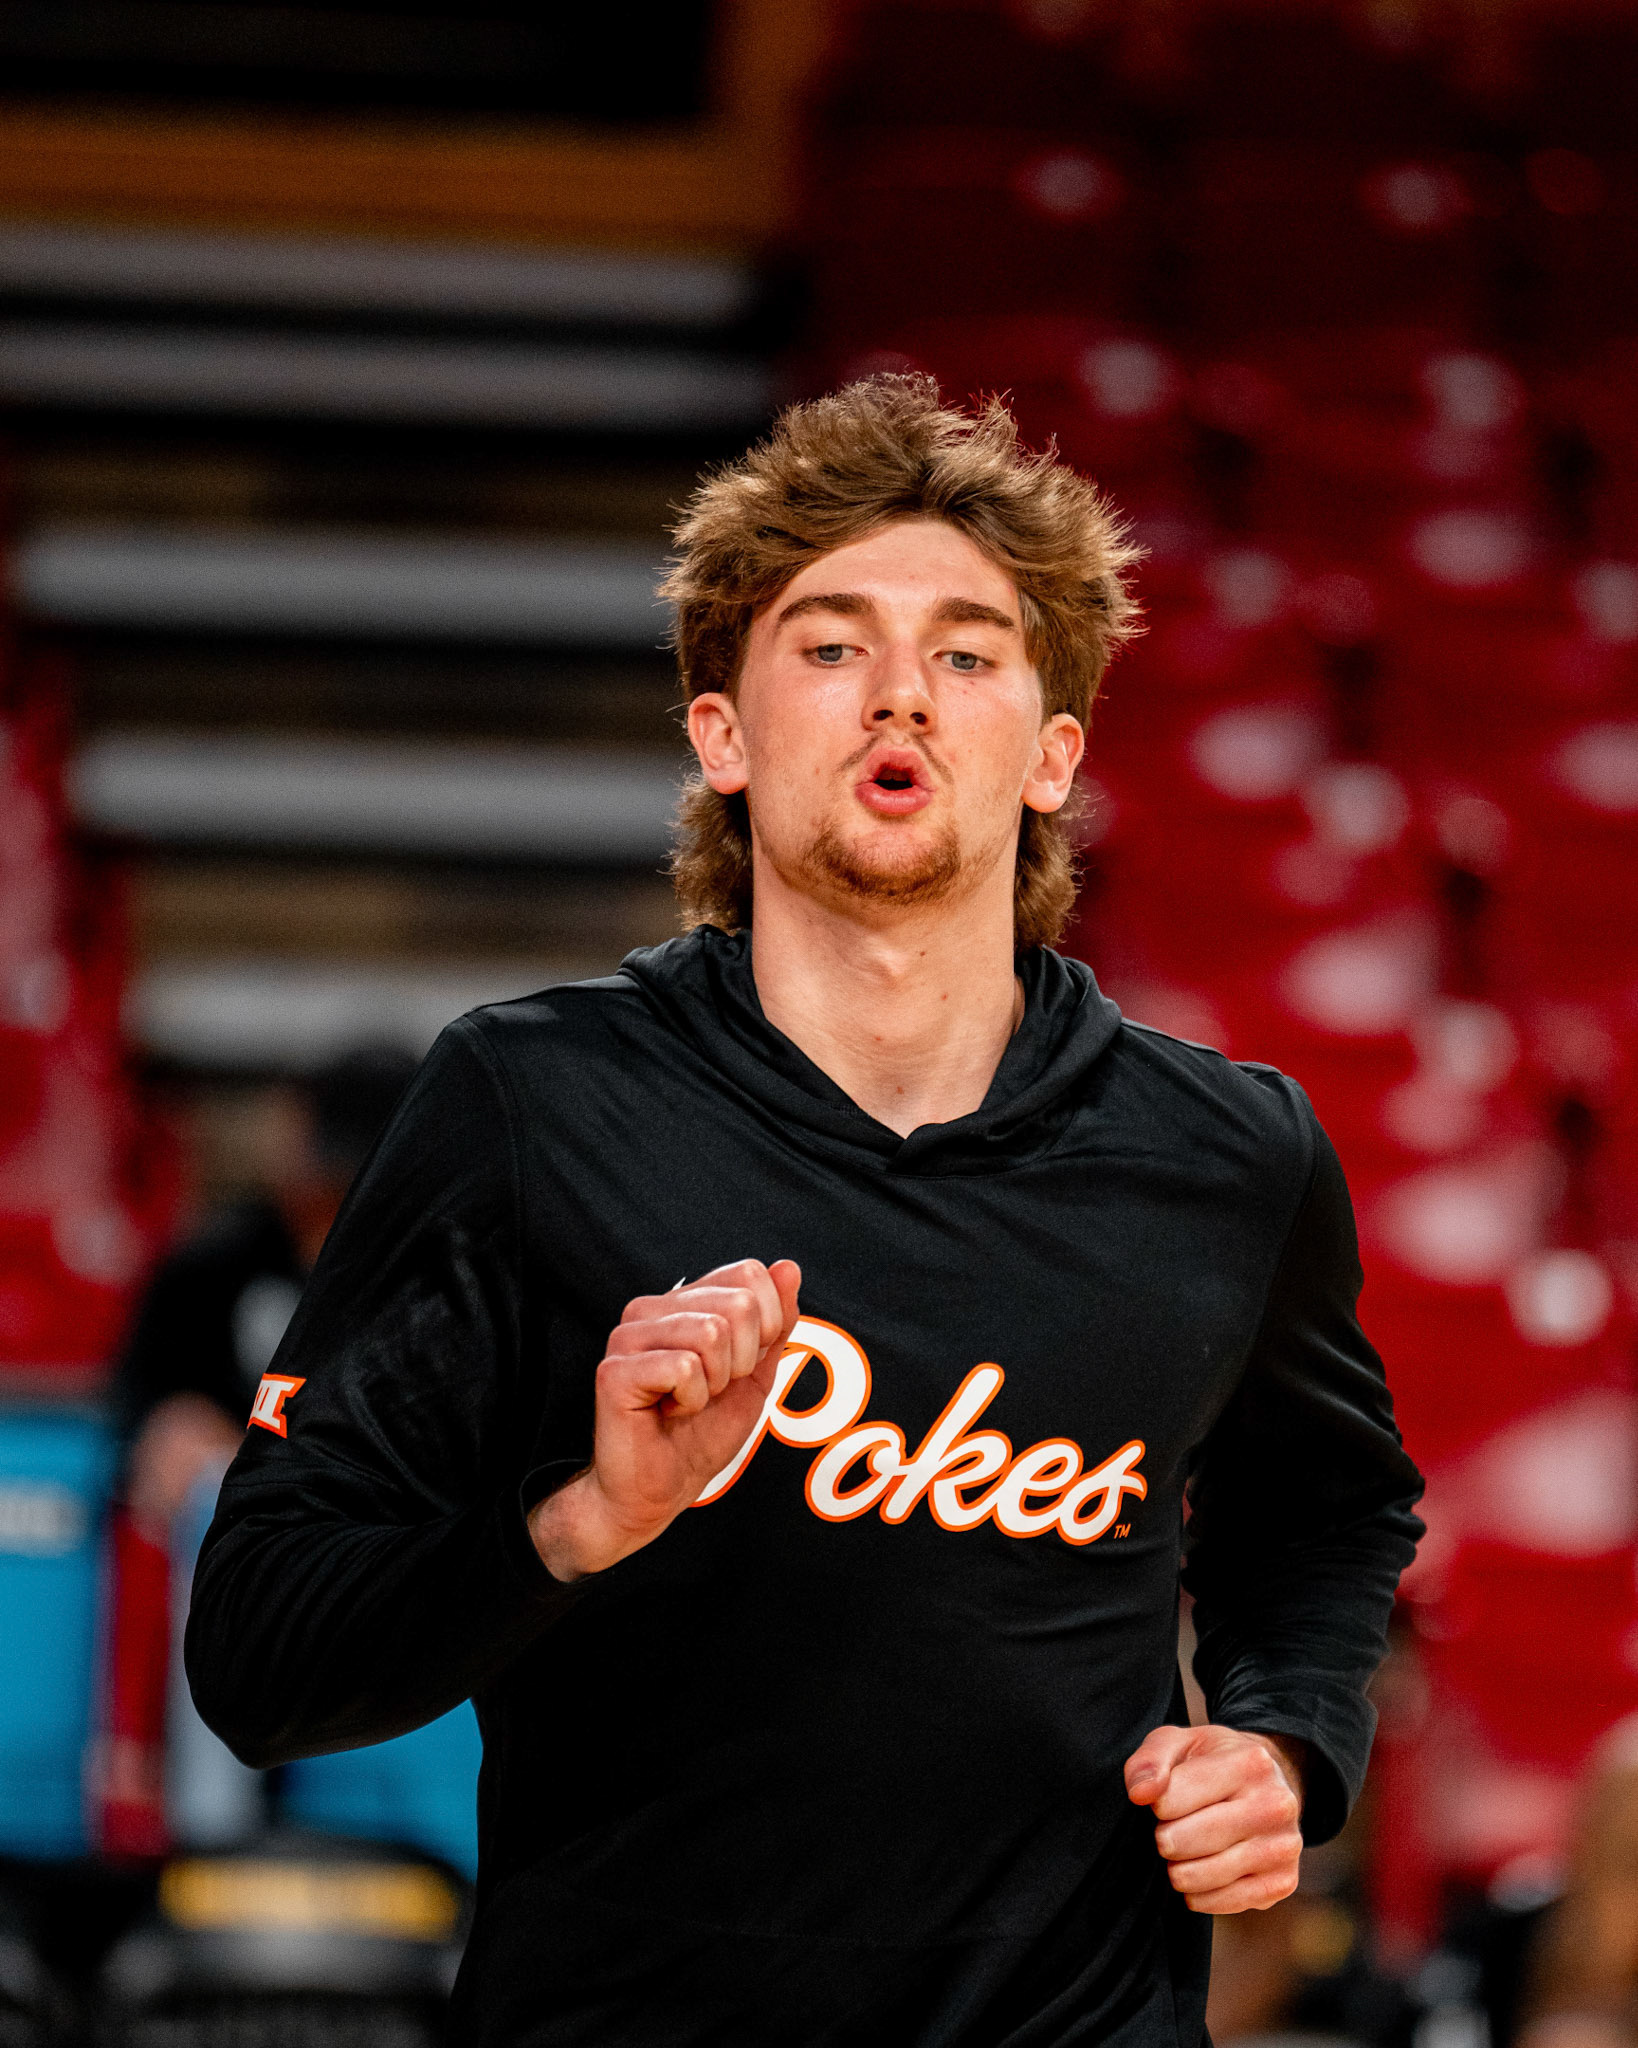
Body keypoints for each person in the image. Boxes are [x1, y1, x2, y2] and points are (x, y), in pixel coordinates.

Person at [185, 377, 1424, 2047]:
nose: (900, 692)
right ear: (723, 735)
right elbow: (262, 1658)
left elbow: (1328, 1525)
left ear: (1053, 754)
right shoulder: (529, 1107)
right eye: (831, 646)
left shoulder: (1229, 1156)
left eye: (969, 653)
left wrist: (1280, 1744)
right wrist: (581, 1521)